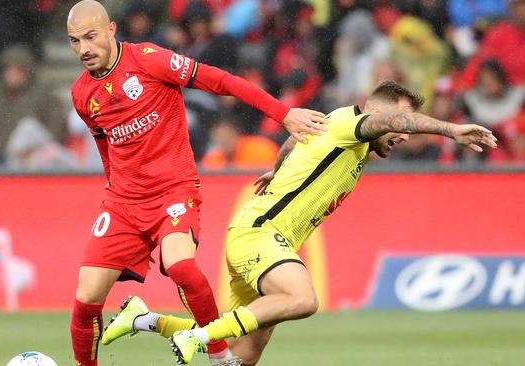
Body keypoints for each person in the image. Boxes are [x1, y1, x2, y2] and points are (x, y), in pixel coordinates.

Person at [101, 81, 498, 365]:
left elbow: (295, 139)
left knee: (241, 356)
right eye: (399, 124)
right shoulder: (353, 123)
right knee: (303, 299)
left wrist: (276, 171)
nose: (403, 135)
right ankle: (197, 336)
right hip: (261, 233)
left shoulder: (335, 127)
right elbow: (385, 122)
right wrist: (451, 130)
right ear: (378, 114)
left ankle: (142, 318)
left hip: (263, 237)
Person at [65, 2, 329, 366]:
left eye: (91, 37)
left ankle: (219, 359)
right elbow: (103, 142)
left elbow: (222, 81)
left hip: (173, 190)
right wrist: (113, 188)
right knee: (85, 298)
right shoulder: (82, 94)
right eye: (75, 42)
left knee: (181, 266)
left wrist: (283, 114)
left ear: (111, 30)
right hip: (123, 203)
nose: (84, 49)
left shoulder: (149, 60)